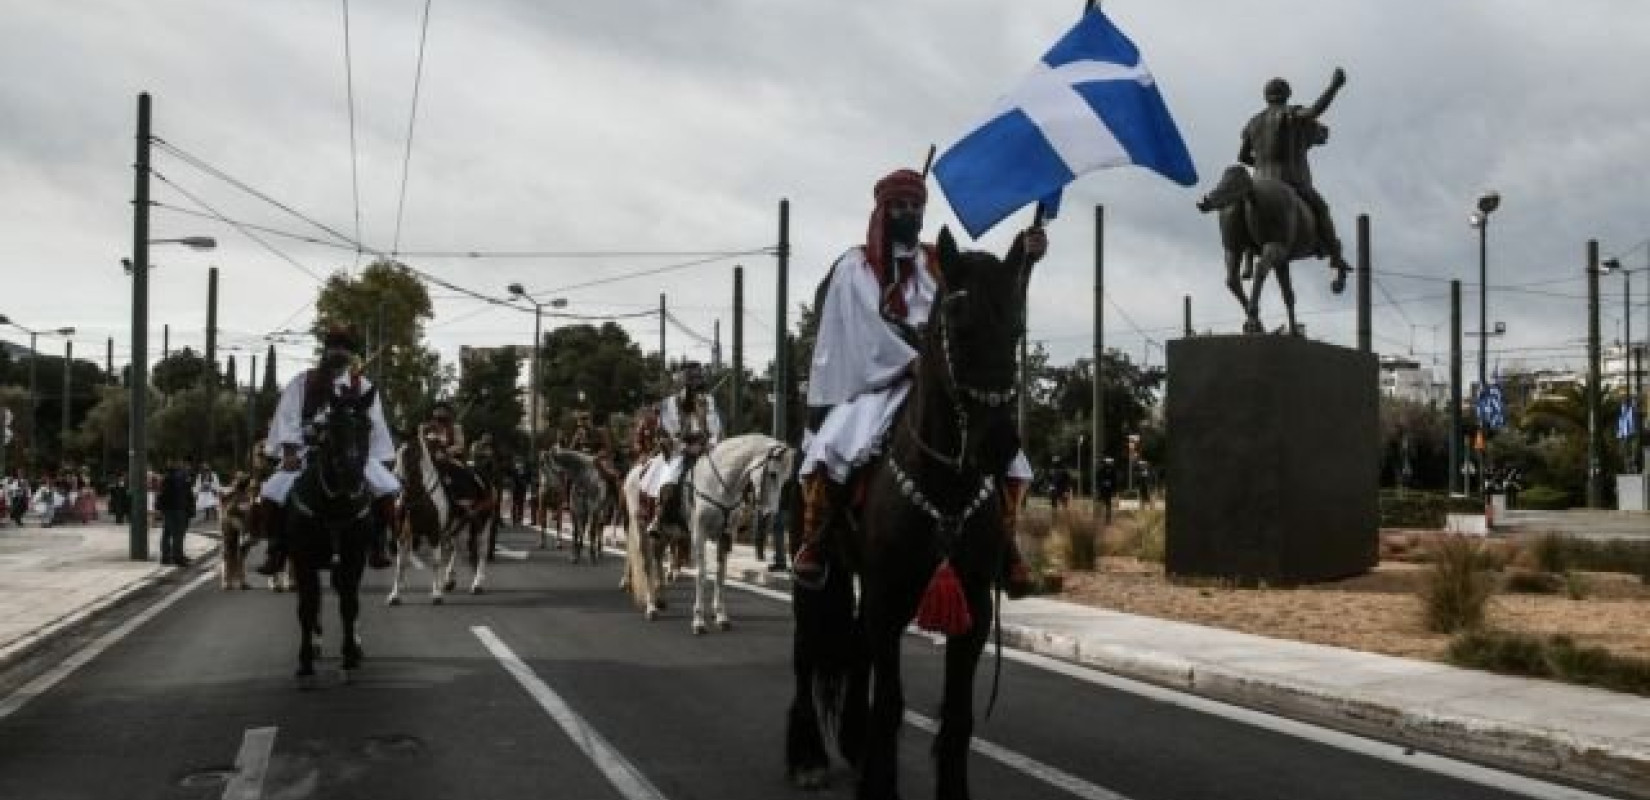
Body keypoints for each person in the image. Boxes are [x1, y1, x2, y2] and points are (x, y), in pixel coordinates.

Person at [791, 167, 1045, 596]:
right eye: (901, 206)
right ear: (883, 211)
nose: (911, 213)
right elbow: (860, 329)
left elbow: (977, 303)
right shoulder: (854, 268)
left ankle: (1005, 544)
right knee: (835, 442)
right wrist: (906, 361)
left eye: (917, 206)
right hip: (878, 379)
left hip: (940, 376)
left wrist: (1025, 260)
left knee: (1008, 453)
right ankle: (818, 540)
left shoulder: (937, 262)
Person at [254, 324, 398, 576]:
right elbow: (288, 417)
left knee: (386, 487)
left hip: (352, 453)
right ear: (326, 351)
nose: (339, 353)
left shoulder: (361, 386)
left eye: (344, 348)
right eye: (334, 347)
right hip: (308, 451)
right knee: (271, 491)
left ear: (351, 355)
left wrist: (372, 455)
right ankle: (275, 549)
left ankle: (378, 544)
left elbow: (373, 423)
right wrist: (289, 451)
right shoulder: (304, 381)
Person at [1239, 68, 1350, 281]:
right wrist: (1334, 87)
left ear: (1266, 96)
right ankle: (1334, 255)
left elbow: (1242, 157)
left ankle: (1248, 255)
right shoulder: (1290, 113)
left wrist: (1261, 164)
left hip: (1258, 182)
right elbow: (1314, 111)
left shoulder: (1252, 123)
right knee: (1322, 209)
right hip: (1293, 181)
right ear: (1287, 94)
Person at [641, 363, 722, 537]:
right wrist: (686, 447)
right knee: (670, 479)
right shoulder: (669, 404)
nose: (695, 385)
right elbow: (667, 434)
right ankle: (659, 517)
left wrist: (710, 443)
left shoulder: (708, 401)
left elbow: (715, 427)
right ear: (683, 383)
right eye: (691, 380)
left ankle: (729, 520)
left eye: (697, 379)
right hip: (679, 451)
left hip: (706, 448)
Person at [155, 458, 195, 567]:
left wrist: (159, 508)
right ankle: (178, 557)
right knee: (178, 533)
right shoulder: (181, 477)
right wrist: (189, 509)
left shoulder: (166, 477)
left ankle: (166, 556)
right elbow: (186, 495)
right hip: (178, 509)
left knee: (167, 532)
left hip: (169, 509)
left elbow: (161, 495)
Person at [1097, 457, 1118, 522]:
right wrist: (1101, 484)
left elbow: (1114, 480)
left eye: (1110, 463)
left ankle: (1108, 518)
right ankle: (1098, 516)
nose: (1109, 464)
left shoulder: (1113, 471)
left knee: (1108, 504)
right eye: (1108, 463)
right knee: (1101, 503)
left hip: (1109, 490)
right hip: (1103, 489)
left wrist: (1114, 490)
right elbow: (1099, 478)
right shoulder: (1102, 470)